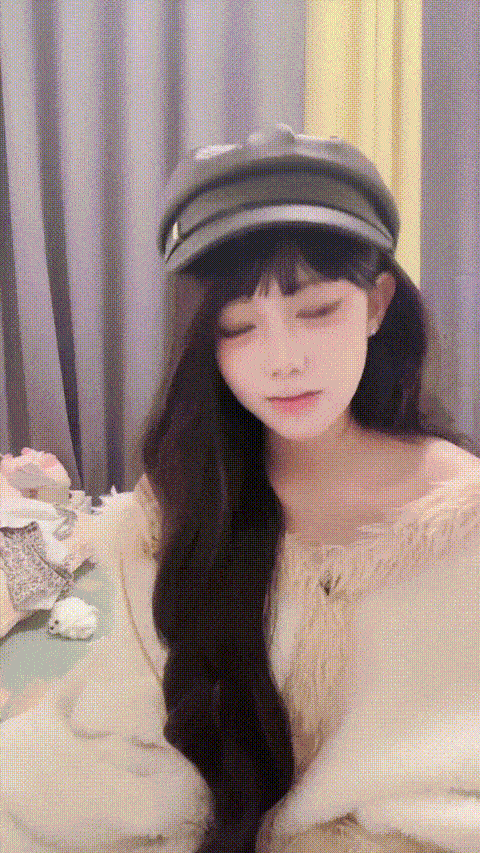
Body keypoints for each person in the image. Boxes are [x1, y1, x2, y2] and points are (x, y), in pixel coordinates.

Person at [1, 125, 480, 853]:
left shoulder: (461, 520)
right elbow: (119, 745)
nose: (283, 360)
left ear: (378, 304)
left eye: (317, 310)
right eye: (239, 325)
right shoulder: (181, 504)